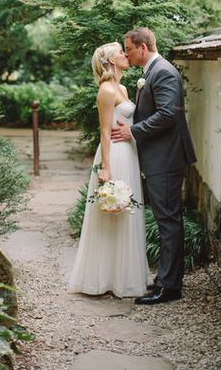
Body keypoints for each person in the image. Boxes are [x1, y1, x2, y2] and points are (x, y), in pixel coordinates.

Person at [111, 27, 196, 305]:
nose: (126, 53)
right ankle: (165, 280)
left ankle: (169, 287)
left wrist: (133, 131)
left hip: (167, 158)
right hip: (161, 156)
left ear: (143, 48)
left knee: (168, 220)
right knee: (165, 219)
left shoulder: (163, 72)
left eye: (129, 49)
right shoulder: (152, 72)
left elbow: (168, 115)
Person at [68, 42, 151, 298]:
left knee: (127, 213)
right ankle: (101, 279)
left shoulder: (123, 87)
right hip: (113, 155)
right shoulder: (105, 90)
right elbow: (104, 129)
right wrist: (106, 168)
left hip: (129, 153)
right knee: (110, 215)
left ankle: (124, 278)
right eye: (120, 52)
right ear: (111, 61)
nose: (126, 54)